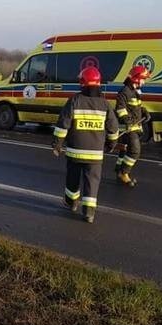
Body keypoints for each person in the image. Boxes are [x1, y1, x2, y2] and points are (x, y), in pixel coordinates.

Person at [51, 66, 119, 224]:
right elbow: (113, 127)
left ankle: (71, 202)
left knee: (72, 179)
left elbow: (63, 124)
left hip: (75, 152)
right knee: (92, 182)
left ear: (82, 82)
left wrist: (57, 144)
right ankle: (89, 212)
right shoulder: (105, 104)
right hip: (95, 155)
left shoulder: (75, 100)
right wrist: (112, 143)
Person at [115, 66, 151, 186]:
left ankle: (119, 169)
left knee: (125, 150)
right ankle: (124, 173)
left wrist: (144, 111)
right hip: (127, 127)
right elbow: (120, 110)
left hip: (134, 126)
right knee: (135, 151)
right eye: (143, 79)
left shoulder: (134, 91)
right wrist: (128, 121)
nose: (144, 82)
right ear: (136, 79)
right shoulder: (124, 92)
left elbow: (136, 107)